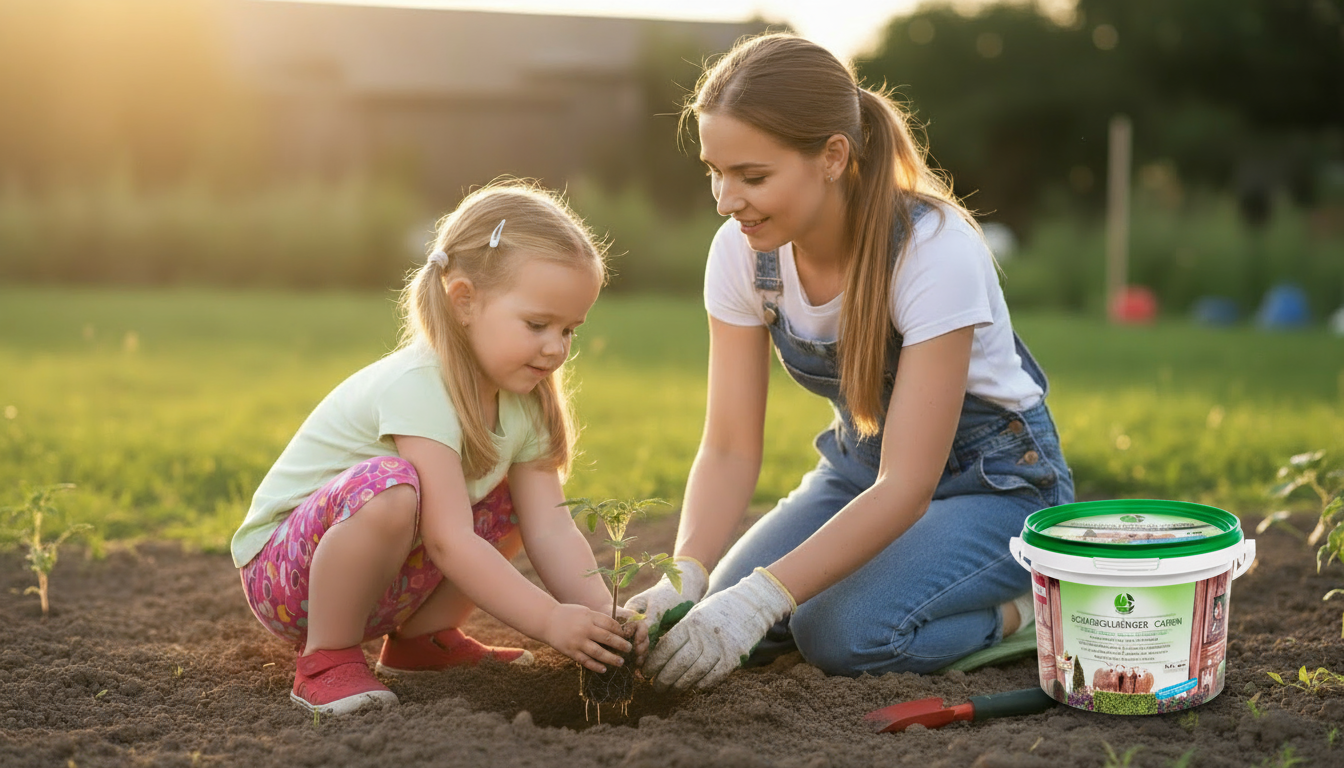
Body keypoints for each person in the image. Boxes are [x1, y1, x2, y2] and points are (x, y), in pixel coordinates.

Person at [626, 33, 1074, 691]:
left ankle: (1026, 613)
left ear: (832, 156)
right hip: (860, 473)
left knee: (838, 632)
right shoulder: (741, 255)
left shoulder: (933, 251)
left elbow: (908, 484)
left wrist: (763, 598)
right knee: (715, 614)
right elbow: (726, 448)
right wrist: (686, 572)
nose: (725, 200)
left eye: (752, 177)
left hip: (996, 487)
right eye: (714, 172)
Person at [232, 181, 643, 715]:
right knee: (393, 488)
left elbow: (550, 527)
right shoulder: (420, 385)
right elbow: (449, 541)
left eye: (570, 330)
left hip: (383, 580)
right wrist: (548, 621)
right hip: (288, 578)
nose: (555, 348)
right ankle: (327, 659)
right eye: (538, 324)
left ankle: (421, 642)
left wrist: (602, 619)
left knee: (507, 501)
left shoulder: (528, 400)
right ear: (464, 301)